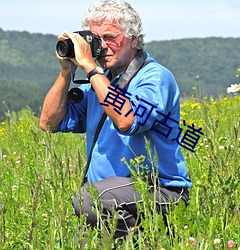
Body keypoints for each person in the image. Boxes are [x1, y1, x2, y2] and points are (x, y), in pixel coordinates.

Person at [40, 0, 192, 244]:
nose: (102, 47)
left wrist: (90, 67)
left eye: (110, 37)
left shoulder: (154, 77)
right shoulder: (99, 83)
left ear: (133, 39)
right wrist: (66, 70)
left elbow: (127, 120)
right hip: (110, 199)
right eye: (96, 39)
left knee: (88, 200)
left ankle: (146, 241)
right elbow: (49, 123)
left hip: (159, 191)